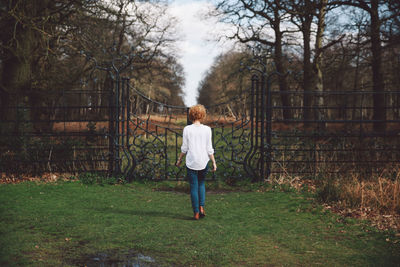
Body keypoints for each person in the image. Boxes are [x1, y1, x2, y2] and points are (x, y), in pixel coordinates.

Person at [176, 104, 217, 220]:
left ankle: (196, 212)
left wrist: (179, 160)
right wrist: (213, 162)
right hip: (203, 161)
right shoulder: (207, 129)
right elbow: (209, 148)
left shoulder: (187, 129)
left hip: (191, 162)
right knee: (201, 184)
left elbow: (184, 148)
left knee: (193, 186)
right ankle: (201, 207)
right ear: (202, 115)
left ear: (191, 115)